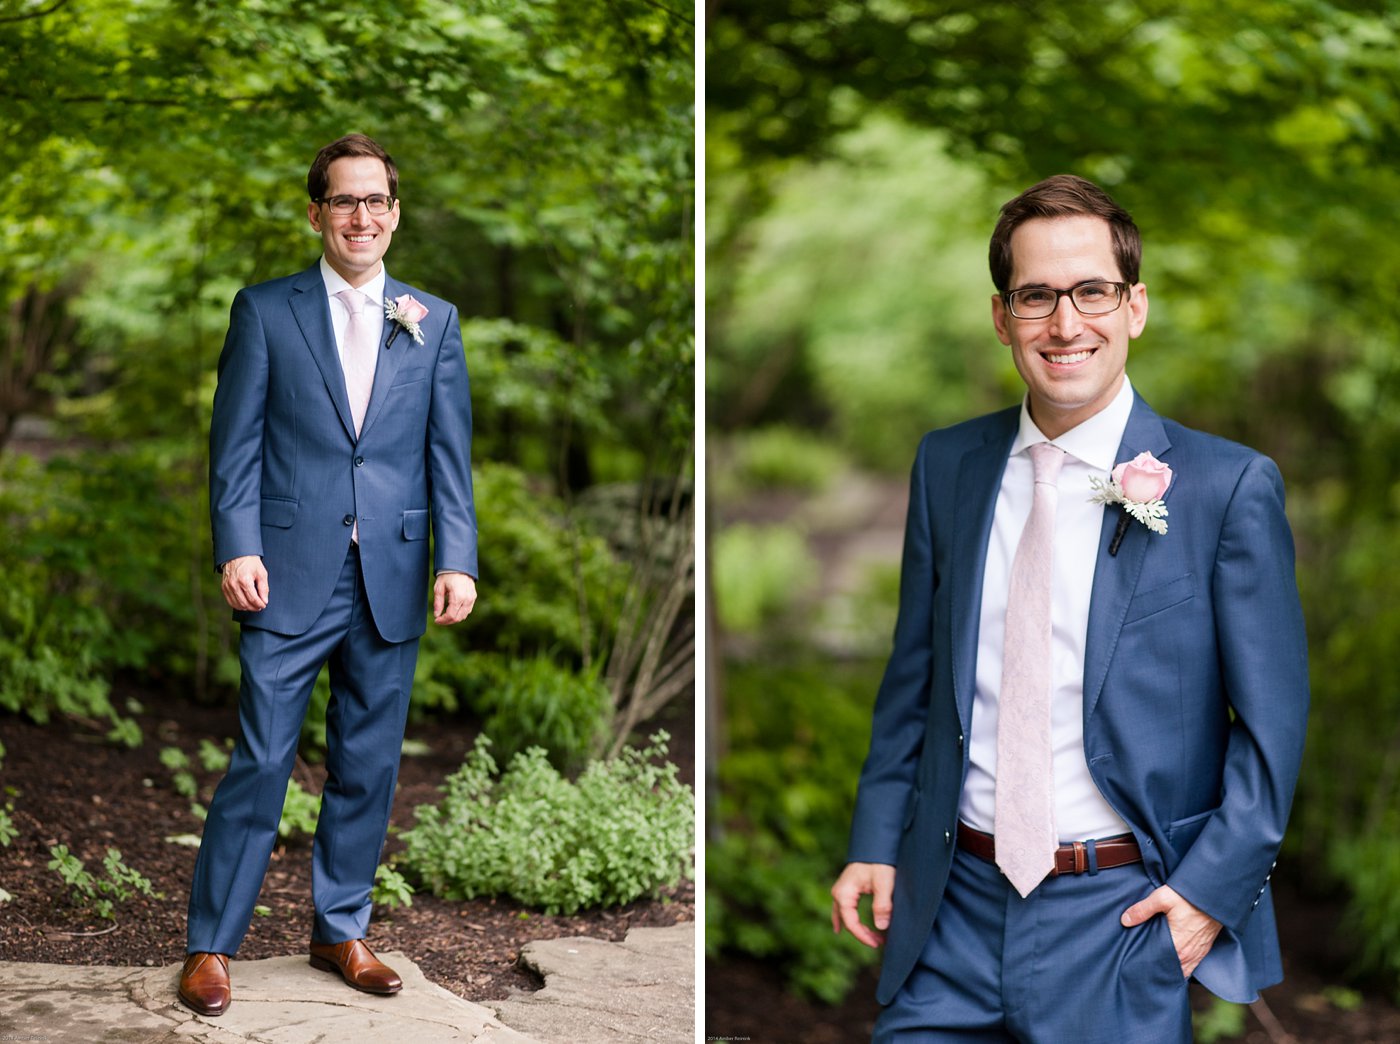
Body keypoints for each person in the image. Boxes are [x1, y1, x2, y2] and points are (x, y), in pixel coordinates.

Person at [830, 174, 1309, 1042]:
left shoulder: (1225, 487)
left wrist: (1210, 894)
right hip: (951, 909)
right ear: (1000, 314)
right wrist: (873, 838)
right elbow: (916, 677)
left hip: (1120, 920)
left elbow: (1273, 726)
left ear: (1135, 307)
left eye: (1092, 291)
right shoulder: (948, 467)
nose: (1064, 323)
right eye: (1036, 296)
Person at [178, 133, 479, 1017]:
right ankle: (209, 946)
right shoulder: (266, 311)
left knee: (369, 763)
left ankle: (340, 930)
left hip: (390, 571)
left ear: (395, 213)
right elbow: (233, 446)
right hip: (287, 569)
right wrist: (237, 545)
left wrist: (456, 558)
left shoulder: (435, 320)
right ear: (317, 213)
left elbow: (448, 457)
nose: (361, 217)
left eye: (376, 201)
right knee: (263, 756)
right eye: (344, 201)